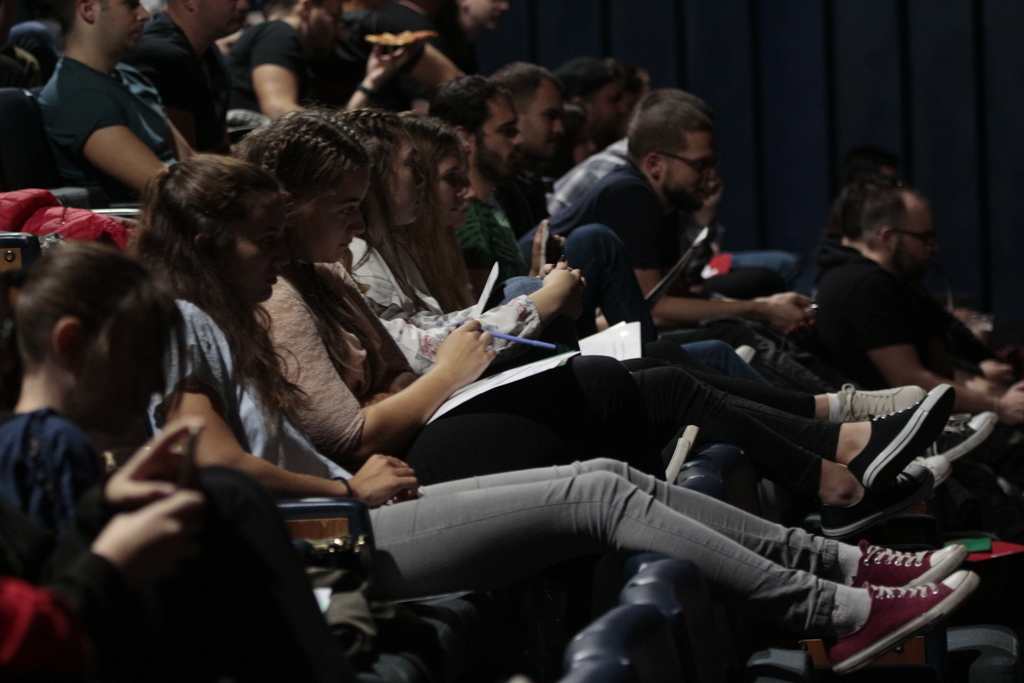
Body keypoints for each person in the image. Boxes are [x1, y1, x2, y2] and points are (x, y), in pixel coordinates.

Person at [131, 156, 978, 675]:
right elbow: (212, 459)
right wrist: (344, 488)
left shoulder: (220, 314)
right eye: (265, 238)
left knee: (604, 474)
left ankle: (843, 568)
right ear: (207, 247)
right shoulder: (182, 321)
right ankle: (840, 608)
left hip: (339, 519)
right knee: (596, 493)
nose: (281, 255)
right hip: (323, 541)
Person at [181, 139, 946, 538]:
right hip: (388, 470)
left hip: (423, 422)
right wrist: (454, 368)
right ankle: (834, 481)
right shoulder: (274, 299)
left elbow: (394, 366)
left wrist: (435, 371)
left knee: (656, 366)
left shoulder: (323, 274)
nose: (361, 216)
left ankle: (837, 458)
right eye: (344, 204)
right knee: (635, 385)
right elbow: (351, 430)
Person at [0, 242, 353, 681]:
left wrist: (105, 502)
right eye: (144, 358)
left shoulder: (25, 440)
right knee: (230, 497)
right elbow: (65, 612)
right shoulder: (53, 443)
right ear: (71, 344)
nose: (154, 384)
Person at [535, 89, 812, 333]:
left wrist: (766, 305)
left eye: (713, 164)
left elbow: (677, 294)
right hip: (550, 330)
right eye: (700, 165)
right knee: (729, 338)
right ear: (655, 164)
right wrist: (759, 310)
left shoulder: (666, 202)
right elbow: (656, 309)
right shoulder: (630, 194)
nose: (712, 176)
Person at [812, 177, 1024, 426]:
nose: (932, 247)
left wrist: (996, 393)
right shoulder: (866, 285)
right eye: (924, 238)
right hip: (902, 428)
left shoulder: (891, 282)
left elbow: (938, 369)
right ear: (888, 237)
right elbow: (910, 380)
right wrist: (999, 406)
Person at [38, 0, 194, 200]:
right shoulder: (79, 97)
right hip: (145, 213)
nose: (145, 15)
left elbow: (188, 159)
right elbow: (162, 186)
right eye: (131, 5)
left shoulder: (131, 76)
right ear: (88, 10)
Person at [126, 0, 248, 151]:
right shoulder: (161, 54)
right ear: (189, 2)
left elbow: (220, 144)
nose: (244, 5)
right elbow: (186, 158)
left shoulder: (208, 50)